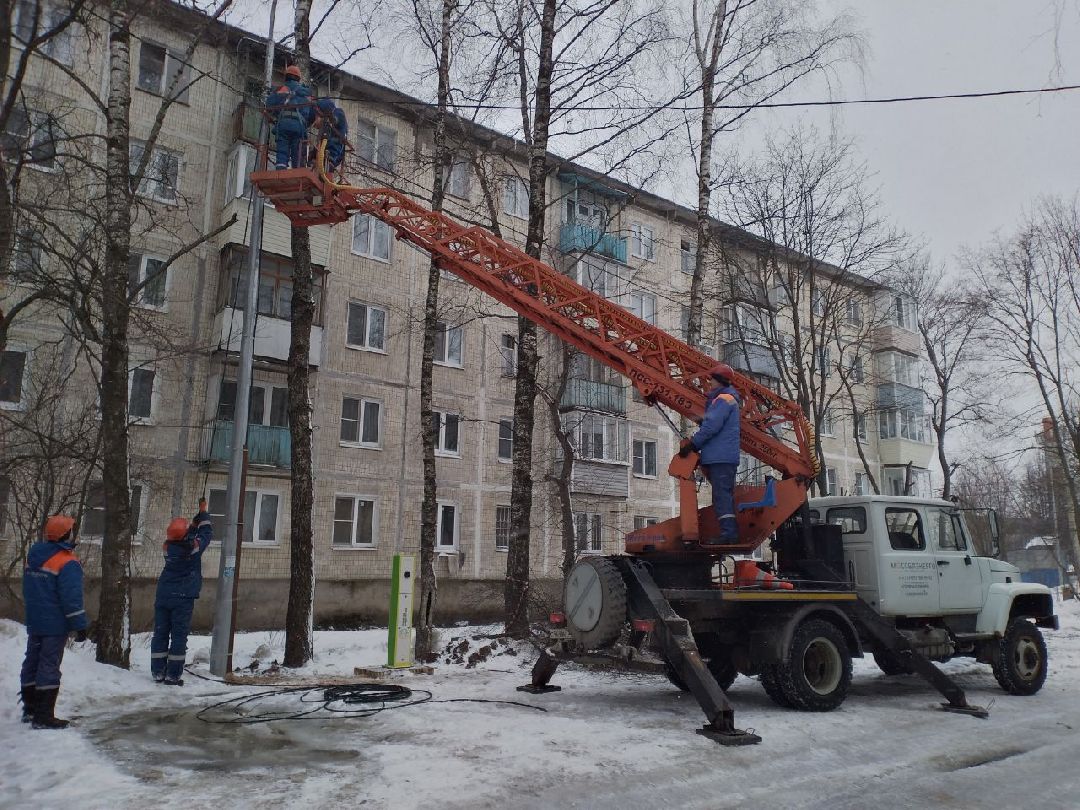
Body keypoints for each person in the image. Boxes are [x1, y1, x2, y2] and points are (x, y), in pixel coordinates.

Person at [21, 514, 89, 730]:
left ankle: (30, 709)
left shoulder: (34, 556)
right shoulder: (67, 562)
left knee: (32, 661)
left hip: (35, 619)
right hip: (55, 623)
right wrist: (79, 625)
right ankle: (43, 716)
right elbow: (71, 598)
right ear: (66, 534)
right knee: (49, 665)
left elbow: (28, 589)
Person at [151, 501, 213, 685]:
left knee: (160, 634)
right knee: (178, 636)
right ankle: (173, 675)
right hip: (182, 597)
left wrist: (193, 524)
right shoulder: (193, 549)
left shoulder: (168, 547)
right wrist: (204, 514)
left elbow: (186, 537)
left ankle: (158, 672)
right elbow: (206, 534)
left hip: (164, 595)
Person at [681, 363, 742, 542]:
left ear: (720, 380)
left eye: (712, 379)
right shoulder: (724, 399)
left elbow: (711, 426)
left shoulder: (723, 399)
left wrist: (693, 444)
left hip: (721, 457)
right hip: (722, 456)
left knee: (722, 496)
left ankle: (729, 534)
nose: (710, 383)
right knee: (722, 496)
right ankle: (727, 532)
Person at [265, 64, 315, 170]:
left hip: (283, 124)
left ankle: (280, 169)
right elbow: (312, 115)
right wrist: (305, 125)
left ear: (286, 77)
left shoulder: (279, 90)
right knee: (298, 152)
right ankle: (297, 172)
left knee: (282, 151)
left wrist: (275, 116)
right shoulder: (306, 93)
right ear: (298, 79)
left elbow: (269, 105)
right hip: (299, 126)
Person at [314, 97, 348, 171]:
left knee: (328, 163)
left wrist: (330, 119)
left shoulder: (338, 112)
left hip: (335, 147)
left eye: (320, 113)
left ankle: (326, 169)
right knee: (317, 155)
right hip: (328, 148)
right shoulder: (326, 125)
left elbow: (335, 119)